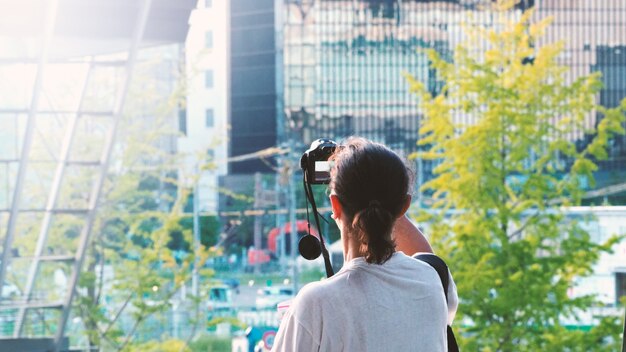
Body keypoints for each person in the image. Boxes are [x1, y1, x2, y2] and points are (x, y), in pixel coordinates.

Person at [272, 137, 457, 352]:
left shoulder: (316, 304)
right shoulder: (431, 282)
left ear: (335, 204)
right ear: (403, 206)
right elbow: (426, 259)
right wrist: (374, 173)